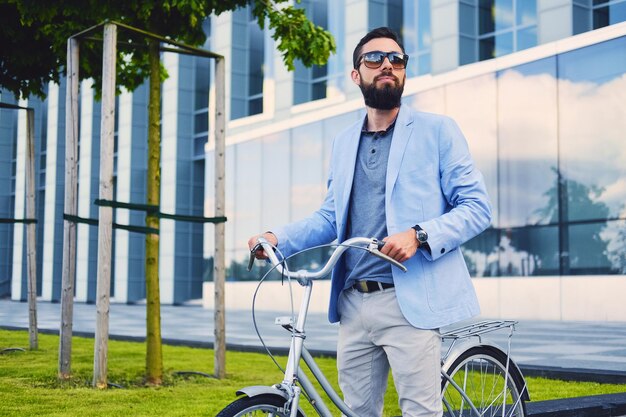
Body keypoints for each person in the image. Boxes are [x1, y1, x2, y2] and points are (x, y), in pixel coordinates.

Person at [248, 27, 491, 417]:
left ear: (404, 72)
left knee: (420, 411)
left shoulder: (438, 130)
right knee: (357, 411)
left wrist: (419, 235)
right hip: (353, 302)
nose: (387, 66)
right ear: (356, 74)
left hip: (408, 299)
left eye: (397, 59)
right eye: (375, 59)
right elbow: (331, 216)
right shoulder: (344, 143)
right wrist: (279, 237)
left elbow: (477, 207)